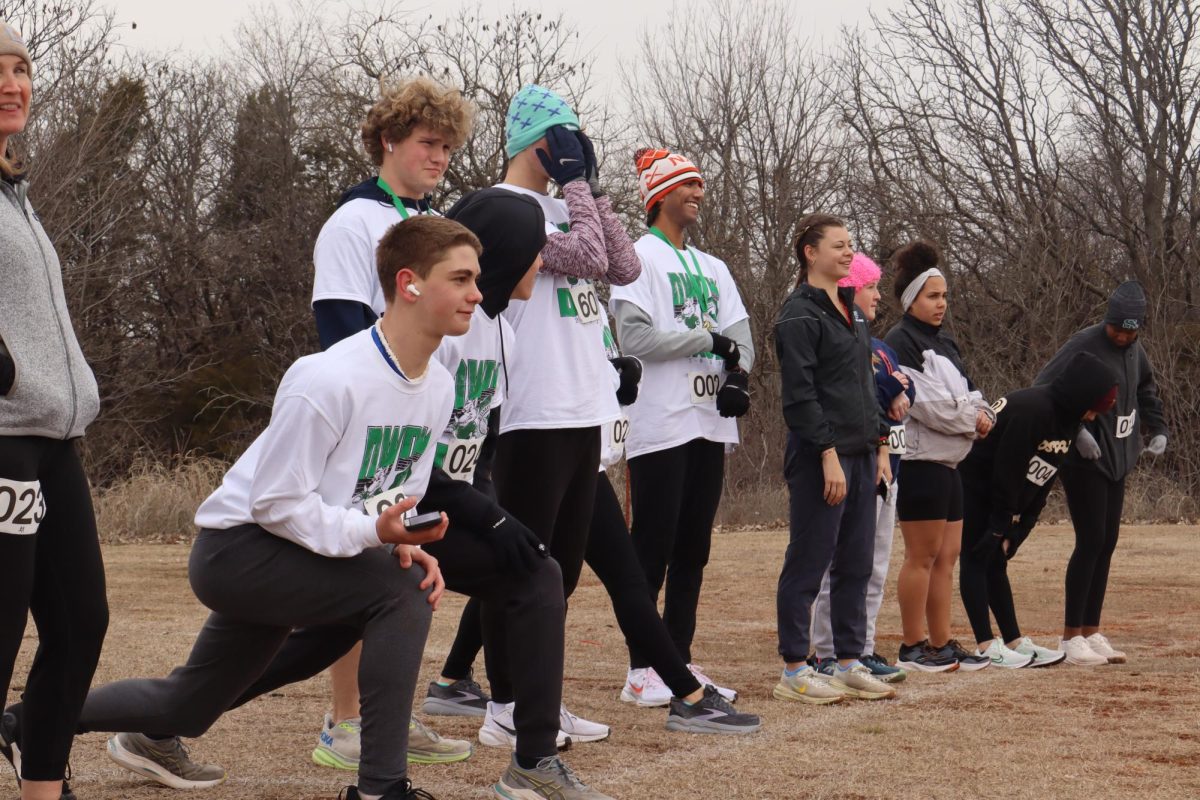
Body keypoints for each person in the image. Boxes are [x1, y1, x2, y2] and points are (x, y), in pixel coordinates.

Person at [5, 216, 485, 800]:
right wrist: (369, 535)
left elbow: (387, 493)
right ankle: (380, 788)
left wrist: (397, 536)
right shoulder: (329, 378)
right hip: (240, 549)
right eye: (460, 278)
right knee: (398, 594)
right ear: (409, 284)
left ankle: (25, 723)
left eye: (475, 279)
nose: (476, 294)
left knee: (189, 704)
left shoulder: (437, 386)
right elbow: (275, 502)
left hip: (293, 551)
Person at [462, 83, 642, 747]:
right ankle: (504, 707)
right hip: (529, 407)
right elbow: (588, 255)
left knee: (559, 575)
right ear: (535, 143)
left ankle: (540, 700)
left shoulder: (568, 202)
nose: (574, 148)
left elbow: (621, 265)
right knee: (520, 568)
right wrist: (572, 188)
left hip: (582, 406)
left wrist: (589, 190)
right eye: (563, 137)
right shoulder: (503, 210)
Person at [309, 75, 476, 767]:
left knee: (398, 575)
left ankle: (386, 717)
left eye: (447, 147)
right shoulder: (355, 221)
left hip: (417, 419)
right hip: (364, 421)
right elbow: (341, 324)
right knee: (362, 569)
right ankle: (345, 723)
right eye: (426, 144)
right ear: (388, 141)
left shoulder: (433, 225)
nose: (438, 158)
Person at [0, 22, 107, 800]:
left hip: (53, 439)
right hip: (2, 439)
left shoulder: (16, 195)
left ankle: (42, 787)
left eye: (21, 68)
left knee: (79, 626)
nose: (13, 83)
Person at [609, 148, 752, 701]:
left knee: (694, 549)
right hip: (660, 422)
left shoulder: (714, 267)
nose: (698, 193)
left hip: (710, 424)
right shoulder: (638, 259)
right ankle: (642, 670)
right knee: (653, 548)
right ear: (659, 196)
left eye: (699, 185)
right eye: (688, 185)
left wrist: (738, 372)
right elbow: (635, 339)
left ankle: (681, 663)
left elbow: (742, 337)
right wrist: (706, 341)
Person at [773, 215, 897, 705]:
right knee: (808, 563)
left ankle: (848, 661)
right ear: (810, 252)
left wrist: (880, 443)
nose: (849, 253)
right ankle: (794, 668)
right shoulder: (798, 315)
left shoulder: (853, 309)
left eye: (851, 245)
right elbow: (800, 397)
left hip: (864, 454)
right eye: (839, 245)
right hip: (820, 458)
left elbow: (865, 386)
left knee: (856, 562)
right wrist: (827, 456)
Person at [1034, 280, 1169, 665]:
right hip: (1086, 460)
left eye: (1132, 330)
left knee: (1106, 542)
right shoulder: (1084, 344)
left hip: (1119, 458)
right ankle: (1070, 636)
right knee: (1090, 540)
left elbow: (1147, 389)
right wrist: (1077, 433)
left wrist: (1158, 429)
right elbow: (1045, 387)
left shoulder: (1135, 349)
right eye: (1118, 330)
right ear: (1108, 321)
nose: (1124, 336)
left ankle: (1092, 631)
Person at [958, 352, 1119, 668]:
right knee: (977, 556)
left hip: (1002, 492)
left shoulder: (1069, 421)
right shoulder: (1034, 410)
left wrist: (1019, 529)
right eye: (1092, 408)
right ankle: (986, 644)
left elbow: (1043, 478)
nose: (1092, 416)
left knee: (997, 562)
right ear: (1080, 395)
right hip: (974, 484)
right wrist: (998, 523)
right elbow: (1008, 470)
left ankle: (1015, 641)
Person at [883, 240, 994, 673]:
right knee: (922, 557)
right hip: (920, 462)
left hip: (950, 465)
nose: (941, 303)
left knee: (947, 557)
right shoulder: (900, 340)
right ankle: (913, 645)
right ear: (911, 298)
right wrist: (974, 420)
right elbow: (927, 406)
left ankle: (942, 642)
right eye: (932, 296)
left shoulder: (945, 341)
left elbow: (970, 393)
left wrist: (983, 413)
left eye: (944, 295)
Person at [809, 253, 912, 684]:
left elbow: (905, 384)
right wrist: (889, 389)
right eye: (869, 287)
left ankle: (863, 648)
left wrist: (894, 387)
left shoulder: (879, 344)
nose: (876, 296)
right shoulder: (841, 336)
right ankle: (828, 651)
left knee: (874, 564)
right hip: (858, 459)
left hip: (889, 469)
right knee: (840, 564)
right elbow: (872, 389)